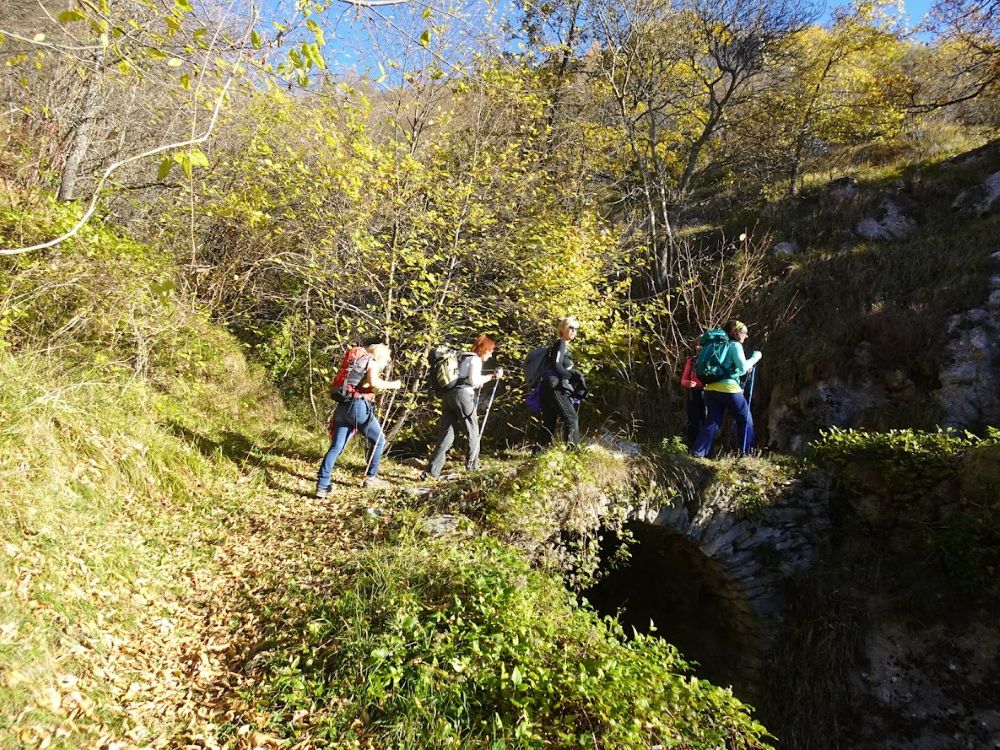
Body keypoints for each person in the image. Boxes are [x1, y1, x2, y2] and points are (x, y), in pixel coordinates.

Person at [315, 342, 402, 497]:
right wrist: (393, 385)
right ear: (381, 356)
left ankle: (322, 485)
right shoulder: (371, 363)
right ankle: (371, 477)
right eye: (387, 359)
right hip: (358, 407)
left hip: (343, 407)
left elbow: (364, 383)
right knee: (379, 440)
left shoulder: (357, 364)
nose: (386, 363)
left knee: (336, 447)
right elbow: (374, 382)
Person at [423, 335, 504, 480]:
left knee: (447, 434)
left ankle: (431, 472)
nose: (491, 354)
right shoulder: (475, 360)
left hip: (449, 396)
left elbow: (464, 378)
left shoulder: (463, 357)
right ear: (483, 349)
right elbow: (474, 380)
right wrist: (492, 377)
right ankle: (472, 467)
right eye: (490, 351)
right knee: (473, 431)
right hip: (463, 397)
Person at [689, 320, 761, 458]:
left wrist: (742, 370)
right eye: (744, 333)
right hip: (728, 390)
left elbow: (731, 370)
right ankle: (746, 454)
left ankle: (697, 453)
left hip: (709, 389)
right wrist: (755, 357)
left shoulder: (713, 344)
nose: (746, 336)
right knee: (745, 419)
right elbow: (742, 367)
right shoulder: (734, 345)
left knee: (713, 421)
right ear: (735, 332)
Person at [539, 316, 582, 449]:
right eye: (571, 327)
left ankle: (538, 453)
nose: (574, 331)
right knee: (571, 418)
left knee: (549, 422)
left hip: (548, 385)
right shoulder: (561, 343)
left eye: (576, 329)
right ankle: (572, 454)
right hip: (554, 385)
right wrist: (571, 377)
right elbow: (556, 365)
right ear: (562, 329)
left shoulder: (563, 345)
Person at [681, 341, 705, 447]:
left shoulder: (713, 360)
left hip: (709, 394)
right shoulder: (691, 361)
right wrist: (688, 383)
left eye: (702, 345)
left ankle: (705, 448)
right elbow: (683, 380)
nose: (699, 347)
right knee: (694, 421)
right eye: (697, 345)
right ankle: (692, 446)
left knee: (706, 421)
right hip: (694, 394)